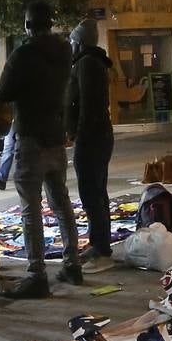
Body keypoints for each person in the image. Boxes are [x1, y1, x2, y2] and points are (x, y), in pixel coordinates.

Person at [0, 1, 83, 297]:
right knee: (61, 203)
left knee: (30, 209)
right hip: (55, 137)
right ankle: (72, 264)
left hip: (31, 136)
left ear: (28, 25)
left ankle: (36, 275)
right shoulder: (65, 51)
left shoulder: (23, 54)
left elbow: (2, 92)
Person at [66, 18, 114, 267]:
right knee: (96, 190)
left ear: (80, 42)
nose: (70, 45)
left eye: (73, 41)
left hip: (92, 138)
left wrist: (79, 134)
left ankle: (99, 245)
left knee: (91, 191)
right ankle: (100, 241)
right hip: (98, 135)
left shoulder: (86, 64)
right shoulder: (93, 62)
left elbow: (87, 104)